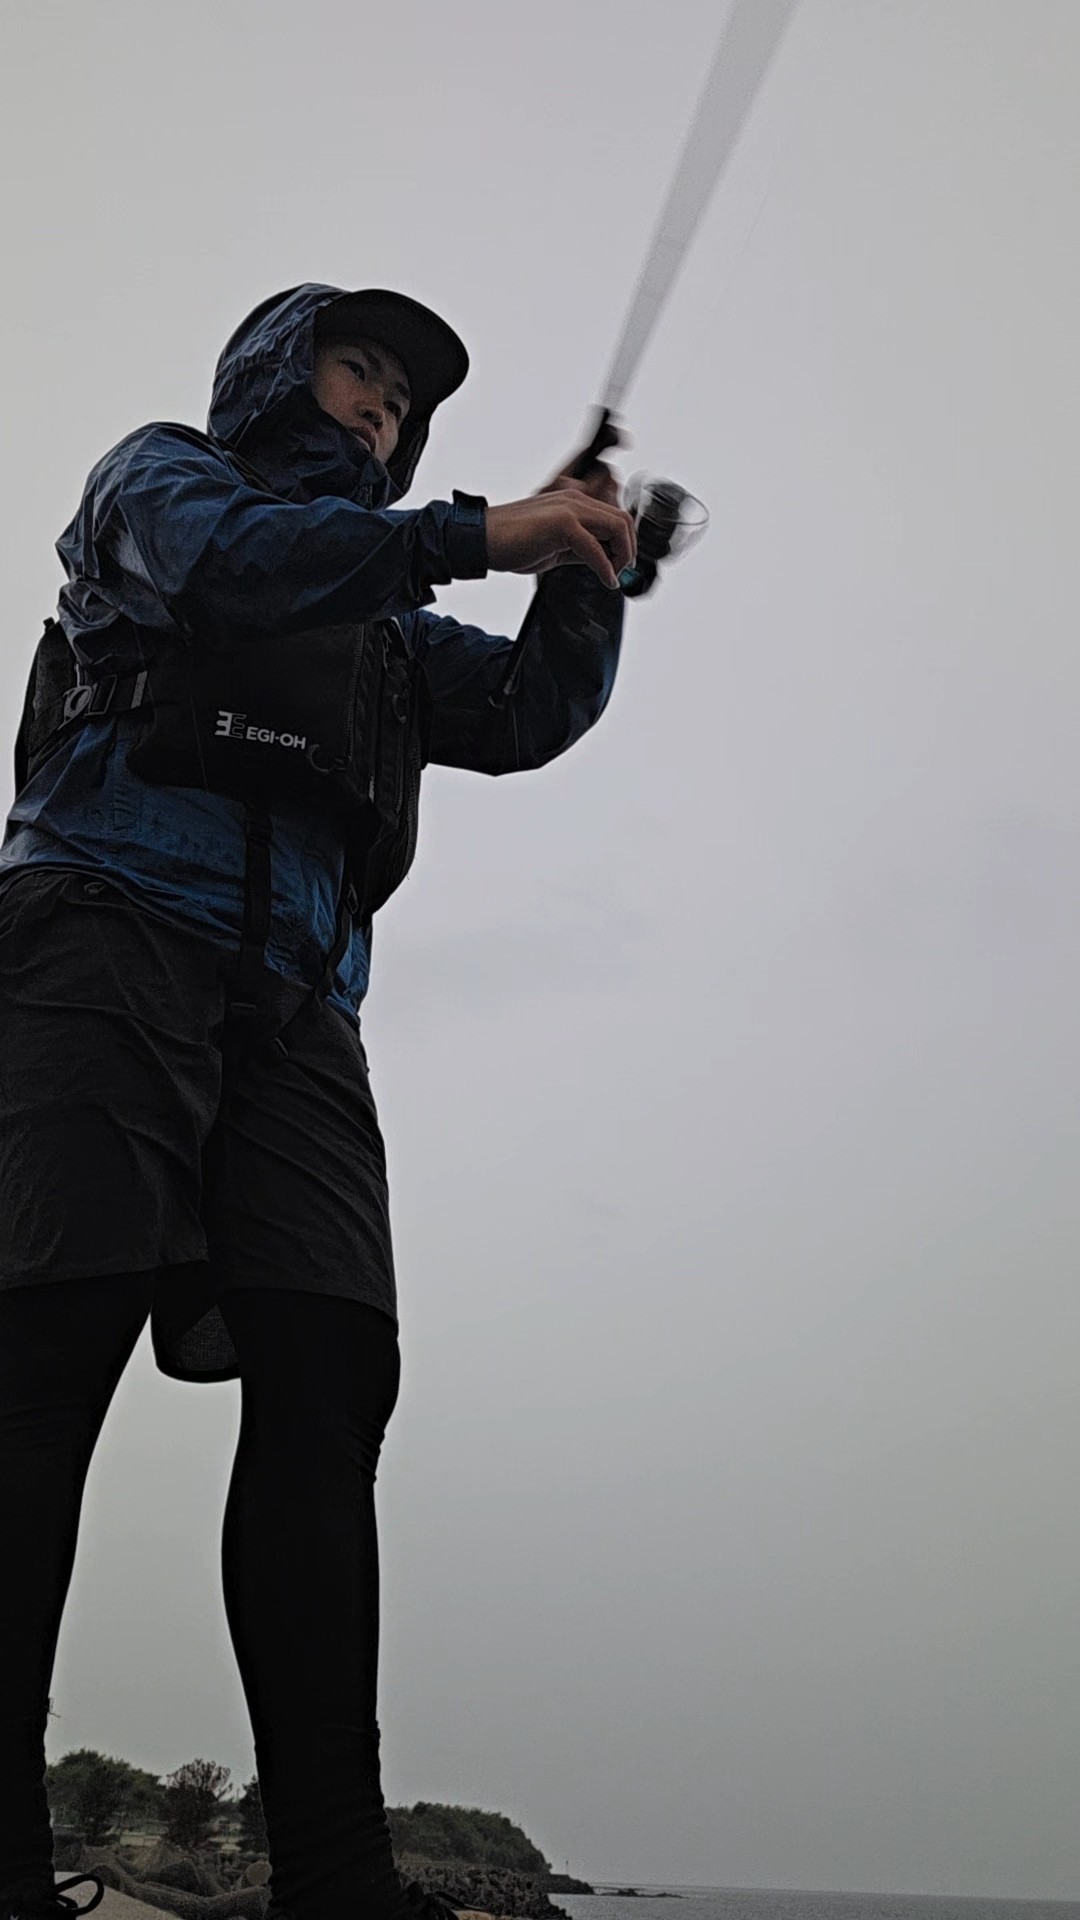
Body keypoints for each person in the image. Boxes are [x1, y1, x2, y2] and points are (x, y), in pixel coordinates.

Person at [0, 282, 636, 1920]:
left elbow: (521, 714)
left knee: (334, 1368)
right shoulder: (156, 481)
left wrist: (582, 585)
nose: (380, 407)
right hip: (96, 938)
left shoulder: (387, 621)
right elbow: (228, 562)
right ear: (280, 374)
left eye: (403, 397)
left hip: (299, 1013)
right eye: (358, 367)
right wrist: (482, 530)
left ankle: (338, 1875)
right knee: (43, 1345)